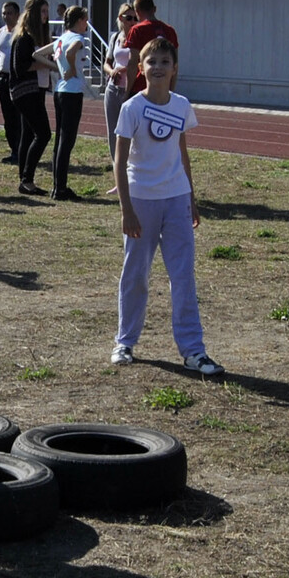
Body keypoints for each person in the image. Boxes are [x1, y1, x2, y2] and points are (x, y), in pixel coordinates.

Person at [111, 37, 222, 376]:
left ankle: (193, 350)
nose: (157, 67)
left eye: (163, 61)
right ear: (140, 68)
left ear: (174, 68)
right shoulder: (131, 107)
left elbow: (182, 153)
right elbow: (119, 159)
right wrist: (126, 207)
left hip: (175, 200)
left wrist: (190, 197)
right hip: (142, 201)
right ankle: (125, 342)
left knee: (183, 275)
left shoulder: (181, 106)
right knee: (136, 275)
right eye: (150, 62)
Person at [8, 0, 56, 196]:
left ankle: (25, 181)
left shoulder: (38, 36)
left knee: (29, 134)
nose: (46, 16)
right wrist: (46, 63)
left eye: (47, 11)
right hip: (24, 90)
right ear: (33, 13)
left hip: (36, 90)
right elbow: (21, 67)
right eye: (42, 11)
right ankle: (27, 178)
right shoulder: (24, 37)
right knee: (43, 133)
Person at [50, 5, 91, 202]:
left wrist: (62, 69)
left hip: (59, 89)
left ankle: (57, 185)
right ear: (79, 20)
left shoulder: (60, 38)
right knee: (67, 140)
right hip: (72, 91)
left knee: (60, 139)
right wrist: (72, 69)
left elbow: (42, 54)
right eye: (85, 20)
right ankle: (61, 188)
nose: (87, 24)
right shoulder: (77, 38)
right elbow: (70, 53)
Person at [102, 4, 139, 162]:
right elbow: (106, 62)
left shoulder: (138, 38)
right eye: (128, 18)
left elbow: (139, 63)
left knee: (130, 132)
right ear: (120, 18)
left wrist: (123, 70)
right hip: (113, 89)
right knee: (113, 132)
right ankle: (117, 169)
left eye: (135, 18)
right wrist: (111, 71)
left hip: (130, 89)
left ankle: (130, 169)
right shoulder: (115, 37)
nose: (132, 21)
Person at [122, 0, 178, 98]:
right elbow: (175, 63)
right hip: (163, 88)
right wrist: (171, 90)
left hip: (141, 88)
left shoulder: (137, 30)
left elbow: (133, 62)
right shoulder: (170, 30)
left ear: (137, 11)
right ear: (154, 9)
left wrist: (127, 91)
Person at [0, 0, 22, 163]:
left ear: (17, 14)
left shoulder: (22, 32)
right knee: (8, 116)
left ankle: (23, 150)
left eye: (9, 13)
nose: (6, 16)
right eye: (4, 13)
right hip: (3, 78)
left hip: (20, 78)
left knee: (20, 115)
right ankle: (14, 150)